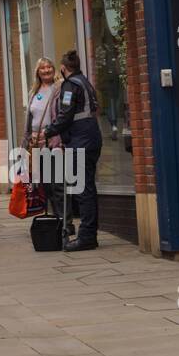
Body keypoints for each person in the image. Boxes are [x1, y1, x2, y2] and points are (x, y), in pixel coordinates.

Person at [45, 49, 103, 252]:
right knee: (88, 188)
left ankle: (87, 236)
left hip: (81, 140)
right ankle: (90, 233)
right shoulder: (84, 81)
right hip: (91, 138)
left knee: (83, 190)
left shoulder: (70, 85)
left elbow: (65, 115)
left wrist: (48, 131)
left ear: (63, 68)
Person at [24, 58, 69, 234]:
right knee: (45, 185)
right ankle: (54, 220)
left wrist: (53, 133)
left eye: (49, 66)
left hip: (55, 142)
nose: (46, 70)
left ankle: (66, 222)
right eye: (42, 68)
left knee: (58, 184)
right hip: (37, 144)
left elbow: (64, 115)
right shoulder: (34, 92)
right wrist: (26, 140)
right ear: (37, 72)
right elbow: (29, 119)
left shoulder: (60, 88)